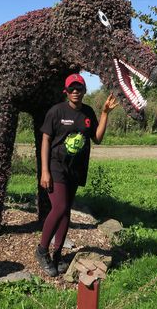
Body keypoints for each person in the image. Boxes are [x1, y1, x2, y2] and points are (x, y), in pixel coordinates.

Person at [35, 74, 119, 277]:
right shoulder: (56, 112)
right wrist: (44, 171)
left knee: (66, 212)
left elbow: (97, 138)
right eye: (71, 89)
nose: (75, 92)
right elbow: (45, 140)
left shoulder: (88, 112)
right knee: (60, 207)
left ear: (84, 91)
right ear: (66, 91)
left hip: (75, 169)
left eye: (79, 88)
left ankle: (57, 256)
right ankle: (42, 250)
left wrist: (105, 113)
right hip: (56, 167)